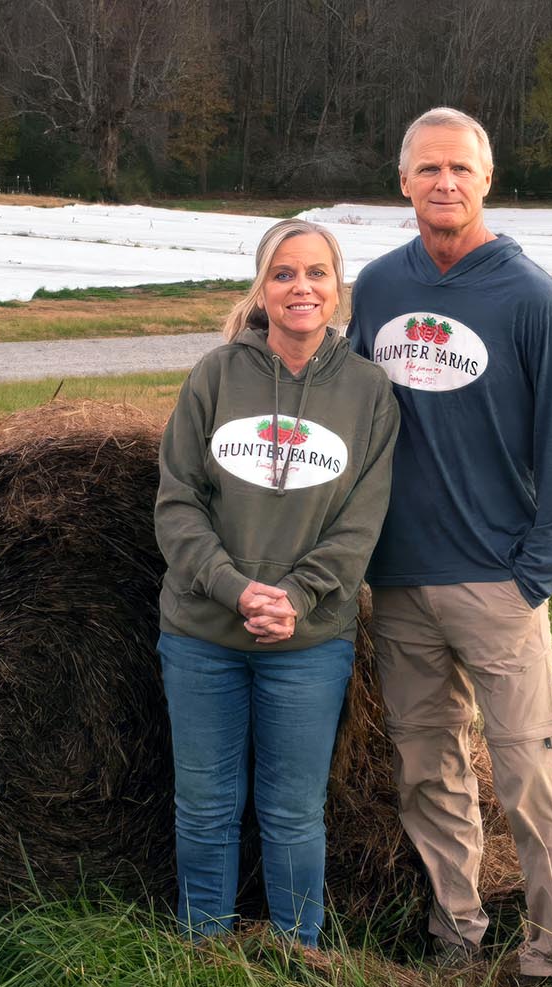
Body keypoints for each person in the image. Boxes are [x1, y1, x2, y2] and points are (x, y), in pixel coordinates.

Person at [347, 107, 552, 979]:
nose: (443, 183)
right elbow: (345, 412)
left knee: (529, 774)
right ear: (403, 182)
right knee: (429, 770)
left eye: (459, 168)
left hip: (497, 584)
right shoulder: (377, 289)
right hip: (401, 581)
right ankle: (456, 932)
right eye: (427, 170)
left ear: (487, 180)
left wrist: (535, 577)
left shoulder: (531, 299)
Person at [156, 219, 399, 946]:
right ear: (263, 289)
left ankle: (299, 954)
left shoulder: (367, 392)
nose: (302, 288)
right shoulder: (214, 375)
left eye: (317, 273)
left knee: (292, 812)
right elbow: (177, 503)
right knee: (204, 806)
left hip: (308, 642)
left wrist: (294, 597)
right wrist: (235, 589)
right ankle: (205, 949)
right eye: (285, 274)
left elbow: (361, 524)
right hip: (203, 636)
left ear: (338, 287)